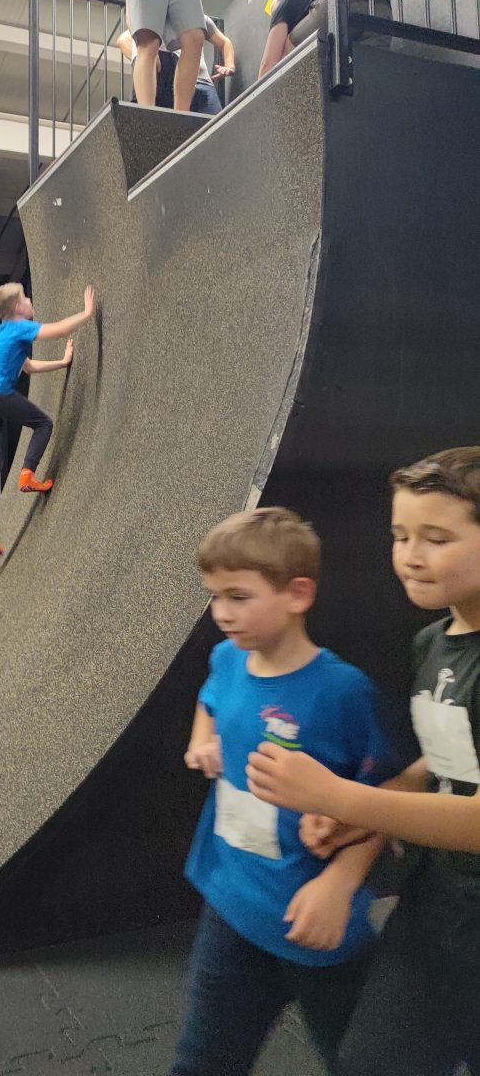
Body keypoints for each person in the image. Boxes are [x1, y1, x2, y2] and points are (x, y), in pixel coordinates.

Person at [247, 447, 480, 1076]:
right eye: (401, 536)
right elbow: (447, 762)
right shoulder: (432, 643)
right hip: (438, 908)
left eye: (437, 539)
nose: (411, 555)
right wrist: (367, 812)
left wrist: (342, 798)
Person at [171, 507, 398, 1076]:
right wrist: (203, 740)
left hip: (315, 922)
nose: (221, 613)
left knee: (360, 1064)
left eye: (238, 597)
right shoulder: (228, 657)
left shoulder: (343, 693)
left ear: (297, 594)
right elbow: (210, 698)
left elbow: (384, 798)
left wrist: (340, 884)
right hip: (230, 905)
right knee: (201, 1063)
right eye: (214, 596)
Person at [0, 282, 96, 558]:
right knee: (43, 424)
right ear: (17, 307)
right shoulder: (19, 327)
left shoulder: (4, 332)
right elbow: (60, 329)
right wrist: (86, 313)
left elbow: (29, 366)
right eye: (25, 298)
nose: (30, 301)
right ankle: (28, 474)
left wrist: (62, 362)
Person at [258, 0, 393, 78]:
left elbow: (267, 66)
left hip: (337, 2)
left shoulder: (283, 5)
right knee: (365, 77)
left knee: (285, 60)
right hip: (380, 7)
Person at [116, 2, 235, 114]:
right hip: (173, 81)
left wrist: (230, 65)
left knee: (215, 119)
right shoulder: (157, 21)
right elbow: (123, 40)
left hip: (201, 82)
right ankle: (145, 111)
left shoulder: (199, 19)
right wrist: (150, 57)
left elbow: (225, 42)